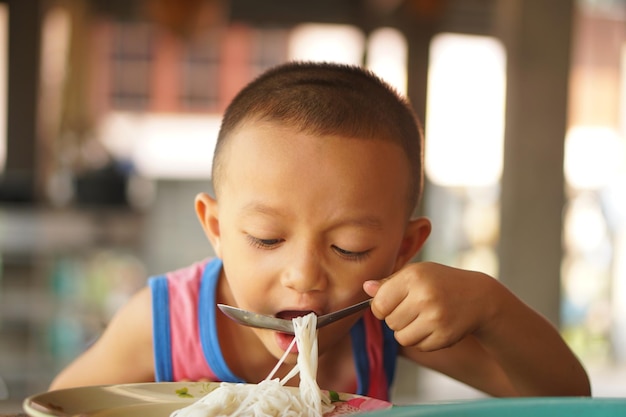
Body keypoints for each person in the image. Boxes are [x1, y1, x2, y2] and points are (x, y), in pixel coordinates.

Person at [49, 61, 590, 400]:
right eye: (265, 237)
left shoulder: (385, 323)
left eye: (349, 247)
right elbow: (55, 407)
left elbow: (565, 397)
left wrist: (494, 307)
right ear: (215, 227)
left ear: (403, 250)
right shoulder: (166, 322)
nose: (304, 275)